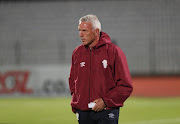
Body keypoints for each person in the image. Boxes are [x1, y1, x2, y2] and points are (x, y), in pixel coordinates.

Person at [69, 14, 133, 124]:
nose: (80, 34)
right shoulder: (77, 53)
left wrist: (105, 101)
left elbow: (125, 86)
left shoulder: (113, 52)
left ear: (96, 31)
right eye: (79, 30)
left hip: (106, 112)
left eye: (85, 30)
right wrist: (77, 104)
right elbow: (73, 82)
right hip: (83, 113)